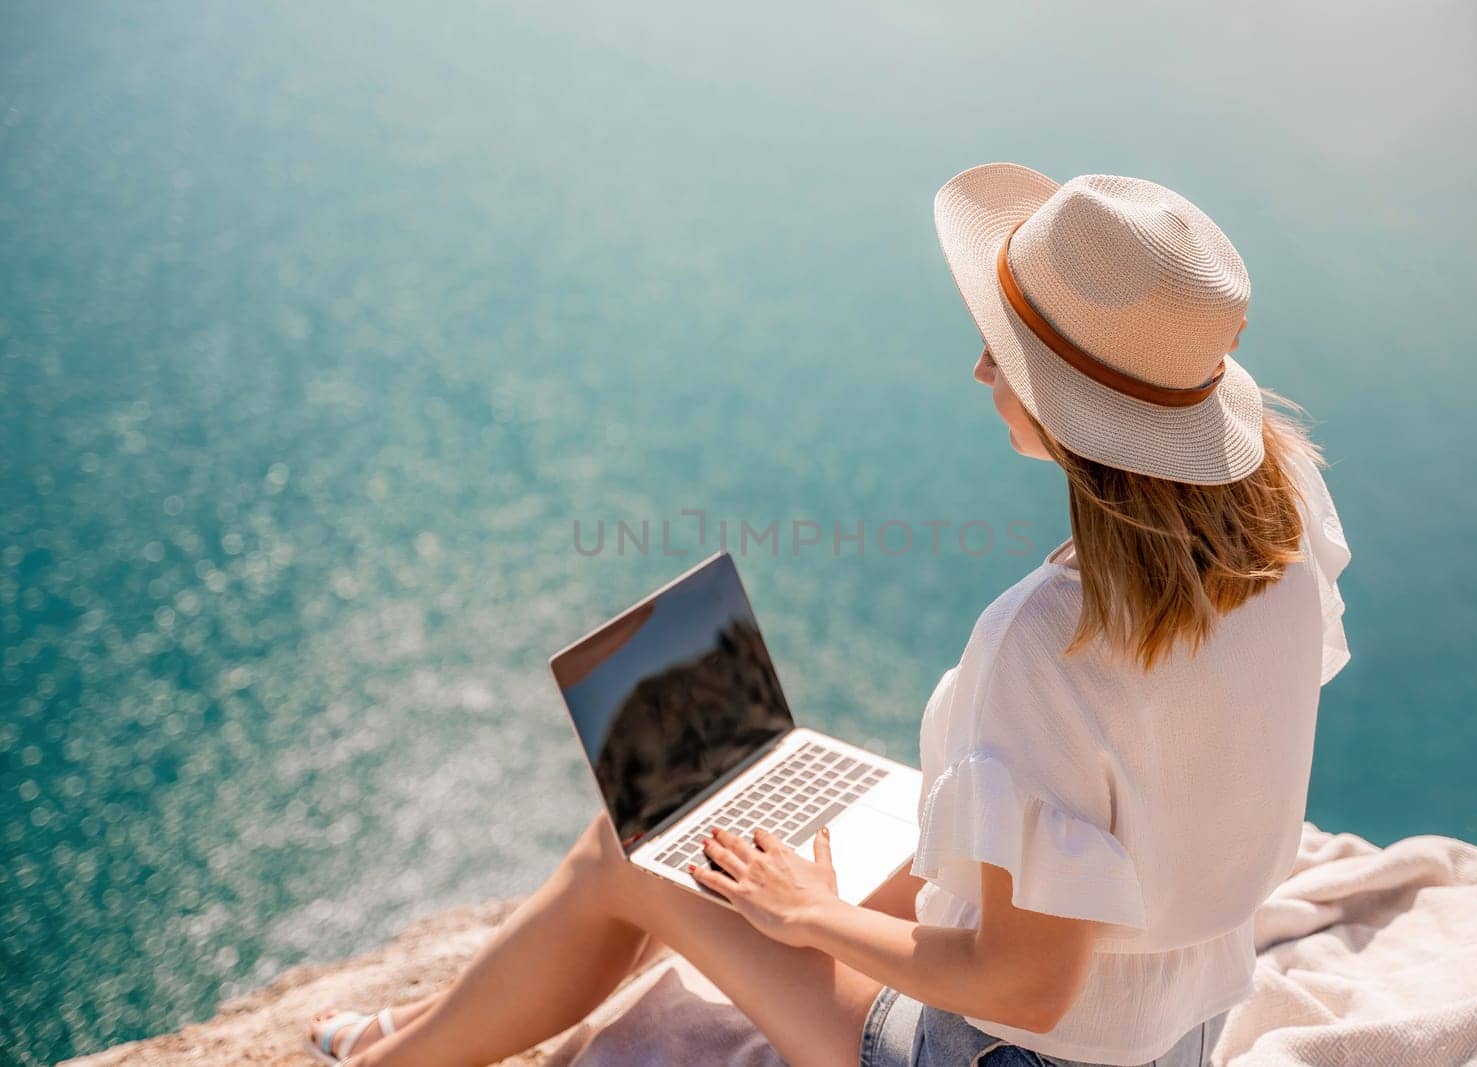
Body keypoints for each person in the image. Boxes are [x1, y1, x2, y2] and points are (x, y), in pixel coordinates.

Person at [306, 164, 1351, 1067]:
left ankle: (389, 1055)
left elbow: (1024, 986)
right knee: (728, 830)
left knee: (635, 846)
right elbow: (1160, 767)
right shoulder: (1285, 524)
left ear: (1072, 406)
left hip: (1001, 1049)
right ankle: (418, 1023)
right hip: (1173, 1030)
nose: (982, 367)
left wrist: (811, 913)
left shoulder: (1049, 636)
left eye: (1006, 351)